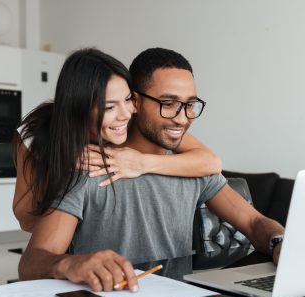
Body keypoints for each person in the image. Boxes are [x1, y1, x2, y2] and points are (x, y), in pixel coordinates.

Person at [18, 48, 285, 292]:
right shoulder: (89, 166)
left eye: (189, 104)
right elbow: (32, 260)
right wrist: (68, 264)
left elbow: (254, 222)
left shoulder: (192, 169)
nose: (182, 118)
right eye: (168, 104)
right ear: (137, 101)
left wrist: (278, 242)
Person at [13, 49, 221, 233]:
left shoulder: (131, 119)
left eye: (128, 99)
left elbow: (211, 162)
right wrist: (63, 168)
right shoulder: (36, 135)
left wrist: (140, 162)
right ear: (81, 108)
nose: (126, 114)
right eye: (109, 107)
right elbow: (26, 221)